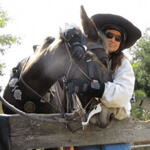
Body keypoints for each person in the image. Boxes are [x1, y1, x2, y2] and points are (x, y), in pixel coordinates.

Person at [67, 14, 141, 150]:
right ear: (102, 37)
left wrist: (90, 88)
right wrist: (75, 42)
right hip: (90, 127)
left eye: (118, 38)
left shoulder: (123, 64)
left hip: (116, 127)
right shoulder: (89, 59)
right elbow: (70, 25)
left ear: (121, 43)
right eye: (109, 35)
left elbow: (123, 95)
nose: (113, 40)